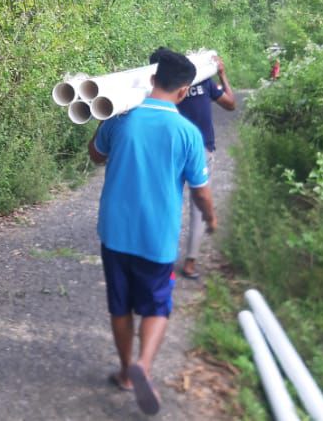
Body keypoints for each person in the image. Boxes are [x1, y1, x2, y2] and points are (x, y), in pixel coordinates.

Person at [88, 48, 217, 415]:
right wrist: (211, 218)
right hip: (157, 237)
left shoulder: (121, 120)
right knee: (157, 304)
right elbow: (201, 191)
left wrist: (106, 114)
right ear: (182, 91)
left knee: (120, 303)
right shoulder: (187, 133)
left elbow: (95, 155)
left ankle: (126, 374)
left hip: (114, 231)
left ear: (150, 80)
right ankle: (143, 364)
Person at [174, 53, 236, 279]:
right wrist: (223, 74)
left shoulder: (171, 84)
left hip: (173, 149)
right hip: (202, 150)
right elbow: (230, 104)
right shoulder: (205, 82)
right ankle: (190, 262)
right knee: (198, 205)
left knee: (169, 201)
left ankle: (160, 257)